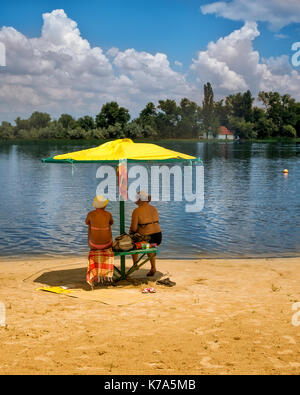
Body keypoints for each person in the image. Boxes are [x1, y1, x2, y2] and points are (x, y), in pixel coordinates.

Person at [130, 191, 162, 277]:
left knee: (132, 242)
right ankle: (153, 267)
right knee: (150, 244)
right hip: (158, 238)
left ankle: (135, 264)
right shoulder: (154, 208)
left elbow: (133, 228)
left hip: (148, 239)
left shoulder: (137, 211)